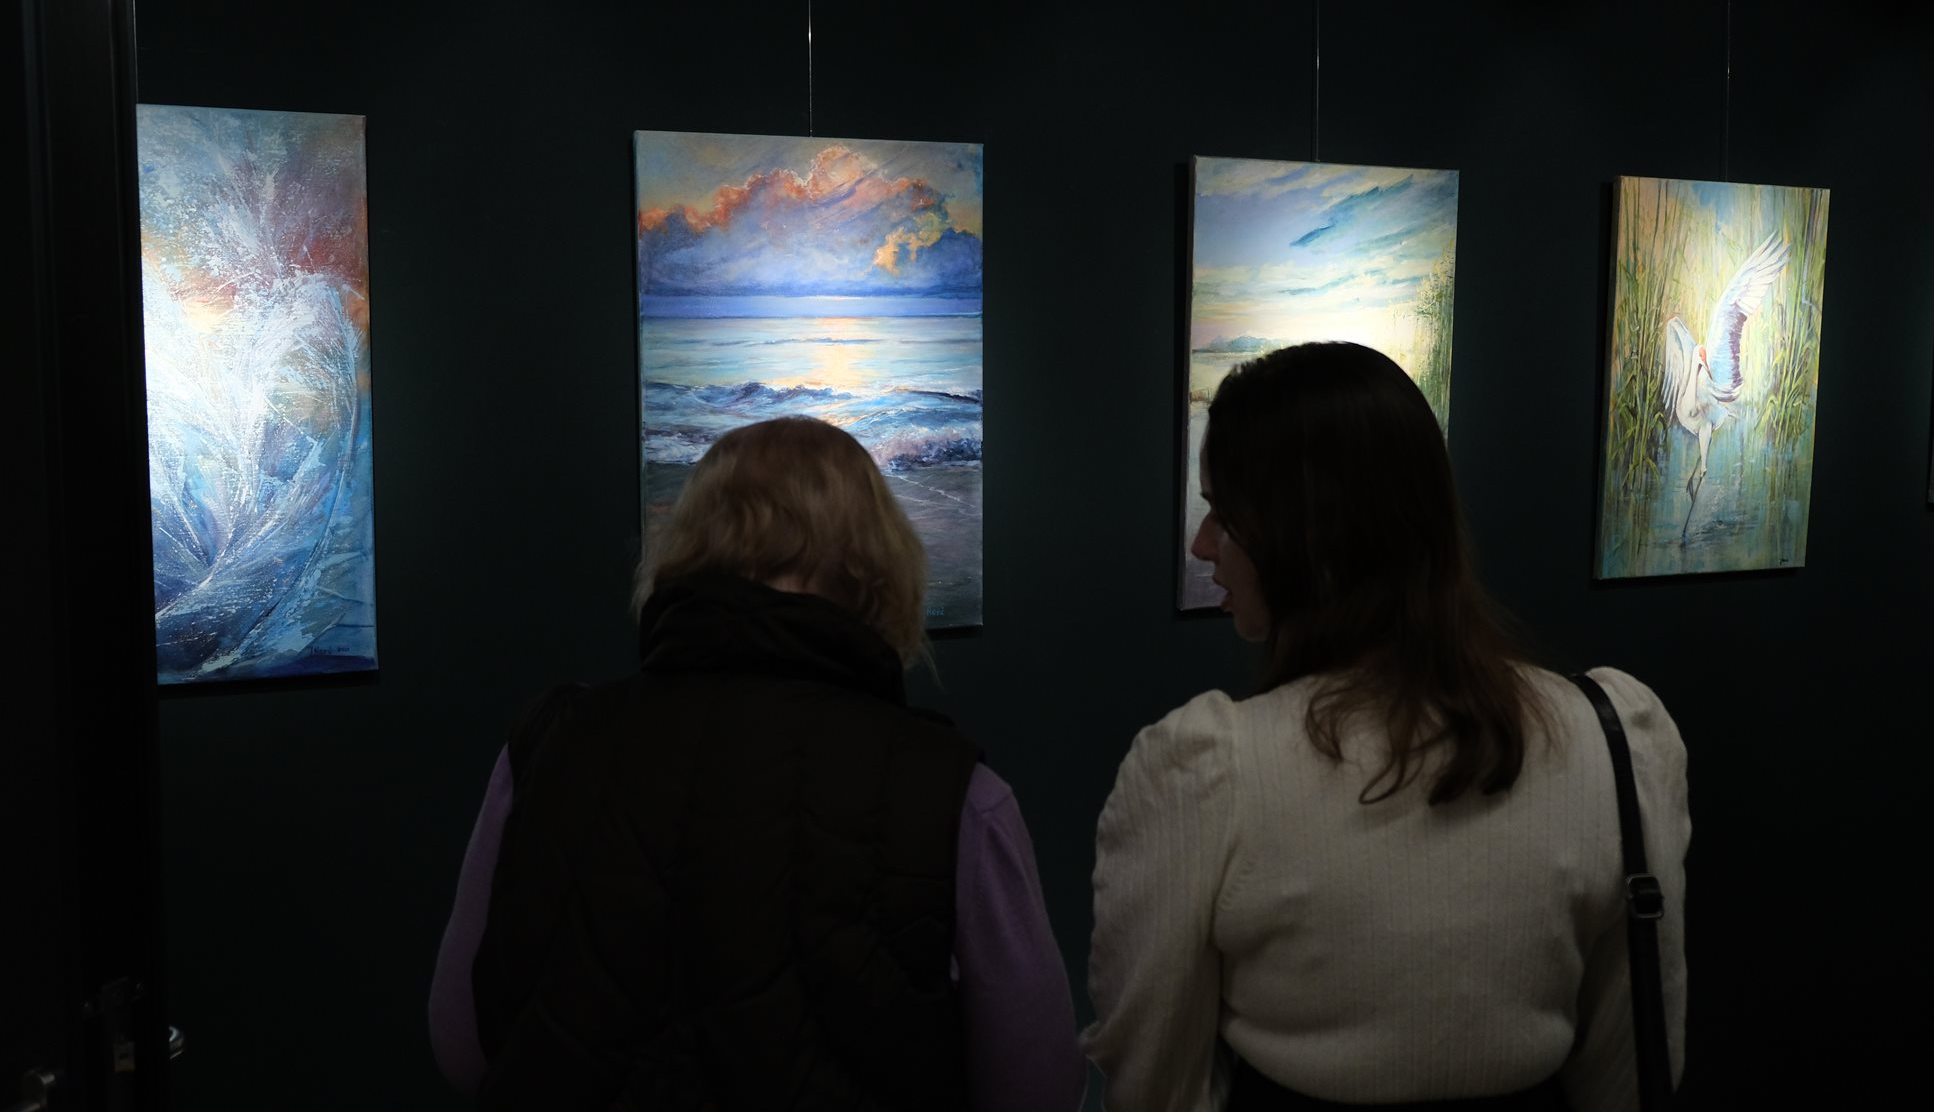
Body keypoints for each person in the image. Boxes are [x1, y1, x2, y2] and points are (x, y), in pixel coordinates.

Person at [1082, 342, 1689, 1112]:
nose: (1203, 545)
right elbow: (1632, 1063)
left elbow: (1155, 1081)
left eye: (1224, 515)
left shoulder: (1210, 771)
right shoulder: (1609, 738)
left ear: (1308, 535)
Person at [429, 416, 1085, 1111]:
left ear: (688, 546)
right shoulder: (956, 794)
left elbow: (464, 1047)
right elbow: (1039, 1089)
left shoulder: (548, 744)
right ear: (879, 564)